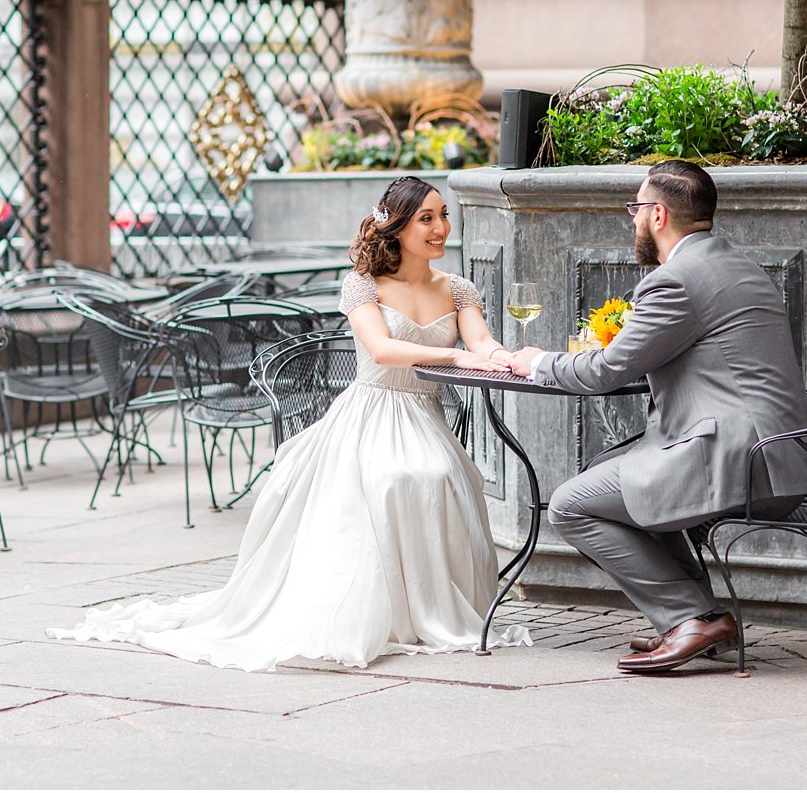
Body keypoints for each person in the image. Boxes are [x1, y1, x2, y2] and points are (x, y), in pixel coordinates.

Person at [48, 176, 531, 671]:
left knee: (444, 477)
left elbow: (482, 343)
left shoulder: (458, 288)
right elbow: (383, 350)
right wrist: (454, 354)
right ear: (397, 226)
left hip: (425, 416)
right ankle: (377, 607)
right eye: (426, 218)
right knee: (398, 477)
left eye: (443, 215)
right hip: (371, 414)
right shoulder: (363, 285)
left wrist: (506, 357)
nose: (440, 228)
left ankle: (429, 607)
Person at [508, 159, 807, 674]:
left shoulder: (675, 280)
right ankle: (697, 617)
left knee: (570, 505)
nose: (631, 221)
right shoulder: (740, 266)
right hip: (780, 454)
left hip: (738, 458)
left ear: (658, 215)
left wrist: (536, 362)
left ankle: (692, 616)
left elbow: (607, 371)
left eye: (635, 209)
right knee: (629, 472)